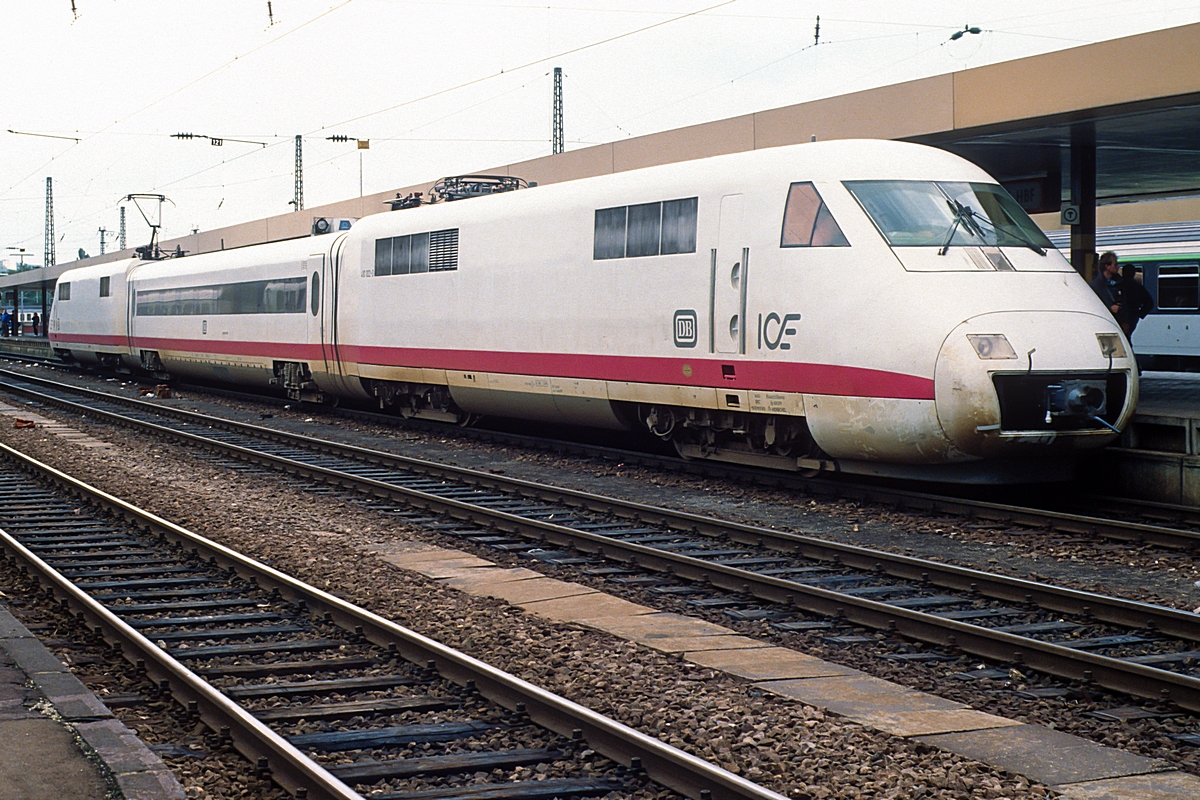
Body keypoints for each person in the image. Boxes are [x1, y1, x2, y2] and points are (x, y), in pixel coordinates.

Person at [1119, 262, 1153, 338]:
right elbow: (1149, 303)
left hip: (1120, 315)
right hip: (1133, 315)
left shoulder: (1118, 285)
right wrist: (1140, 314)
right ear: (1133, 274)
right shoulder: (1138, 287)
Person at [1090, 251, 1124, 323]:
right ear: (1107, 266)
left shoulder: (1120, 282)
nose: (1118, 267)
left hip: (1120, 321)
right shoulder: (1096, 285)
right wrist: (1110, 308)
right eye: (1115, 265)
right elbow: (1092, 306)